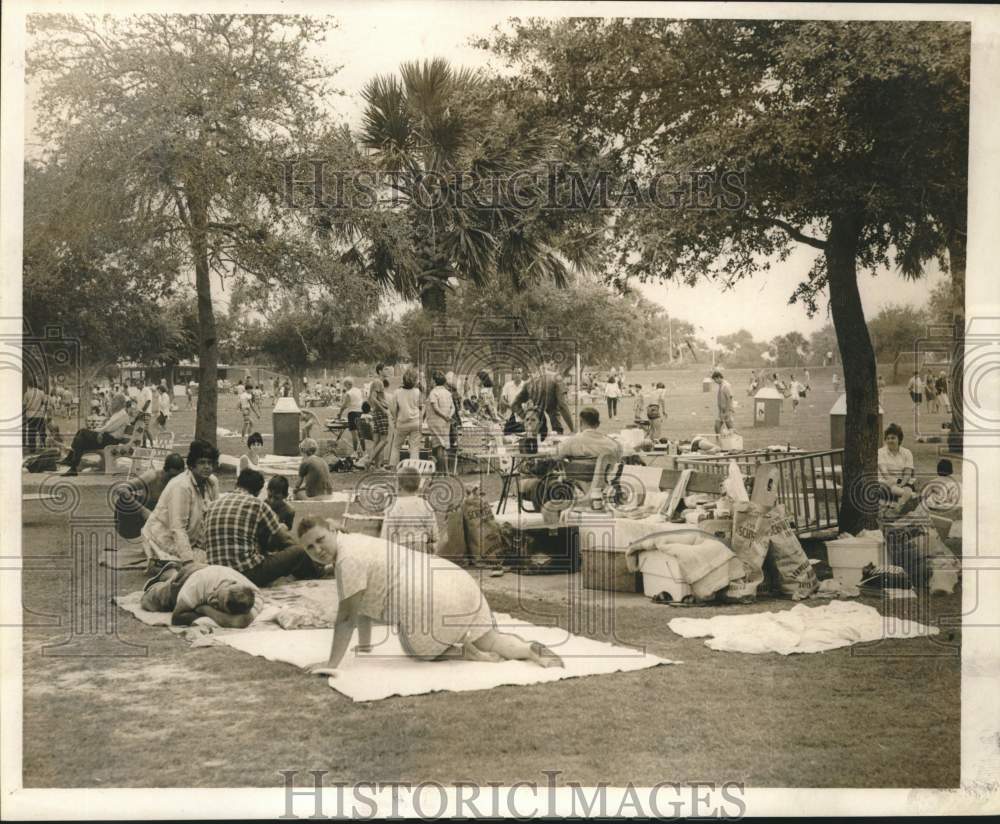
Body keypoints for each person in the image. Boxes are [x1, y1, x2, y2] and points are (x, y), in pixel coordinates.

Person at [297, 519, 564, 676]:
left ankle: (462, 651)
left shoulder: (347, 560)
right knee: (490, 638)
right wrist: (365, 648)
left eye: (320, 540)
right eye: (310, 547)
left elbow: (346, 617)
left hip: (428, 595)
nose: (317, 549)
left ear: (332, 530)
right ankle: (528, 649)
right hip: (454, 578)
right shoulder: (356, 540)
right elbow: (362, 607)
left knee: (418, 651)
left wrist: (331, 664)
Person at [204, 469, 329, 588]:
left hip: (217, 575)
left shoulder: (213, 505)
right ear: (258, 492)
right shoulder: (257, 504)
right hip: (246, 574)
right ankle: (317, 572)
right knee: (298, 552)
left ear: (237, 484)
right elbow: (286, 540)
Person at [141, 439, 220, 565]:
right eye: (202, 463)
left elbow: (214, 518)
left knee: (220, 559)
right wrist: (188, 560)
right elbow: (177, 528)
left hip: (191, 540)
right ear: (192, 465)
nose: (207, 467)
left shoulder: (212, 482)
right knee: (204, 564)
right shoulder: (181, 486)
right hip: (163, 537)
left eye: (210, 463)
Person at [140, 561, 260, 629]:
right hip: (186, 579)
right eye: (217, 595)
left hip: (205, 570)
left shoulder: (254, 594)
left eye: (217, 605)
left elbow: (240, 622)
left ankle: (171, 572)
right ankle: (165, 574)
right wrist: (214, 612)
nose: (213, 600)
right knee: (148, 601)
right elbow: (176, 618)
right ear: (229, 583)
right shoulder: (197, 583)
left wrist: (205, 609)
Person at [112, 453, 186, 546]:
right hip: (138, 520)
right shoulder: (153, 476)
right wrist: (143, 511)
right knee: (124, 501)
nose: (173, 479)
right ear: (164, 471)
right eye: (171, 476)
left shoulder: (182, 482)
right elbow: (120, 489)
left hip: (162, 520)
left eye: (177, 477)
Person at [555, 406, 623, 497]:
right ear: (598, 424)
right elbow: (619, 456)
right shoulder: (612, 443)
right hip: (604, 481)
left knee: (559, 465)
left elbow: (557, 455)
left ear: (581, 423)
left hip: (579, 479)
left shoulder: (573, 441)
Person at [60, 400, 137, 476]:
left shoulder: (122, 415)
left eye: (114, 402)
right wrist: (100, 431)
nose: (112, 403)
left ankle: (71, 461)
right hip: (107, 437)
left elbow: (109, 428)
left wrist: (98, 431)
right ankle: (72, 466)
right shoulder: (119, 414)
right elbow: (108, 428)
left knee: (82, 432)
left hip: (110, 440)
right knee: (81, 439)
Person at [380, 466, 439, 554]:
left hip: (400, 549)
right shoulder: (425, 504)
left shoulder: (394, 507)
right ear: (419, 485)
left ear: (398, 485)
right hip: (421, 548)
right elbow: (434, 533)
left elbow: (386, 535)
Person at [510, 364, 575, 436]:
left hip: (538, 425)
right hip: (554, 425)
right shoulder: (556, 378)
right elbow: (562, 405)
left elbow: (514, 404)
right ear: (550, 364)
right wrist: (573, 429)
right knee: (555, 441)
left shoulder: (529, 382)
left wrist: (525, 416)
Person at [390, 368, 423, 466]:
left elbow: (393, 409)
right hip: (415, 422)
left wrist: (395, 420)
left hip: (402, 422)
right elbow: (421, 407)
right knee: (414, 447)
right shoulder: (417, 392)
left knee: (396, 446)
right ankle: (413, 468)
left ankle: (393, 467)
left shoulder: (397, 392)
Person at [877, 423, 915, 506]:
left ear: (899, 439)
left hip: (902, 482)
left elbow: (907, 473)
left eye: (893, 438)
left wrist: (901, 484)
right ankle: (906, 500)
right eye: (888, 438)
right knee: (906, 493)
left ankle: (898, 507)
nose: (890, 440)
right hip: (885, 482)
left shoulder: (907, 453)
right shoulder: (880, 452)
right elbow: (884, 473)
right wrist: (894, 484)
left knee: (908, 489)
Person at [425, 370, 455, 473]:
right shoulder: (448, 393)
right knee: (443, 446)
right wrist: (448, 417)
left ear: (434, 380)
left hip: (436, 422)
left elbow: (435, 408)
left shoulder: (434, 392)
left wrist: (444, 416)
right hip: (445, 423)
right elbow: (453, 408)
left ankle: (441, 471)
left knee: (439, 446)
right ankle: (444, 470)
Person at [365, 372, 390, 470]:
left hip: (376, 413)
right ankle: (369, 461)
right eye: (386, 369)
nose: (389, 370)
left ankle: (376, 466)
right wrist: (383, 409)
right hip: (381, 413)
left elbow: (371, 399)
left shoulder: (376, 382)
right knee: (383, 441)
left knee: (377, 441)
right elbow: (373, 398)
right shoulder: (378, 382)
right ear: (380, 371)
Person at [336, 378, 365, 458]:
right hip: (360, 412)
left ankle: (355, 452)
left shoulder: (349, 393)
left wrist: (340, 413)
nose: (345, 387)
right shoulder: (358, 390)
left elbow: (345, 405)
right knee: (361, 434)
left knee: (354, 435)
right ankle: (364, 451)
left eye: (345, 385)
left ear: (348, 384)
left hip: (353, 413)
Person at [23, 380, 49, 452]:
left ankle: (32, 448)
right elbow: (45, 402)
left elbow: (24, 405)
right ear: (36, 384)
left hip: (30, 415)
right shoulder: (41, 393)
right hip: (40, 415)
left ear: (29, 385)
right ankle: (43, 444)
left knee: (31, 432)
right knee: (42, 431)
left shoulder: (27, 393)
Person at [712, 369, 735, 434]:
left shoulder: (726, 385)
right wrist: (721, 410)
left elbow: (730, 398)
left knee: (730, 427)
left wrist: (727, 411)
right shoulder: (721, 385)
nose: (715, 381)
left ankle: (735, 439)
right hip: (721, 410)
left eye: (715, 379)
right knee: (717, 426)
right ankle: (718, 440)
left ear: (719, 377)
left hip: (727, 410)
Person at [137, 379, 155, 447]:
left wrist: (142, 411)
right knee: (141, 429)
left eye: (138, 384)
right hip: (141, 413)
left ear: (142, 384)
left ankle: (152, 443)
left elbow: (148, 401)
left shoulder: (147, 390)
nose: (136, 385)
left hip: (146, 412)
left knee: (146, 429)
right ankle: (144, 444)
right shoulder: (139, 392)